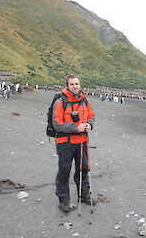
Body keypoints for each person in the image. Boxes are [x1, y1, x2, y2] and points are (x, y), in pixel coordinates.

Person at [52, 74, 96, 213]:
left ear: (80, 85)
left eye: (76, 83)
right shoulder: (60, 102)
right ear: (67, 86)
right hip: (65, 143)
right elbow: (57, 124)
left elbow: (91, 116)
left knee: (83, 168)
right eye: (72, 84)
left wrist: (90, 125)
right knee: (64, 170)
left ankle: (84, 195)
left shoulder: (85, 101)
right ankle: (63, 200)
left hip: (82, 142)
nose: (75, 86)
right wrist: (76, 128)